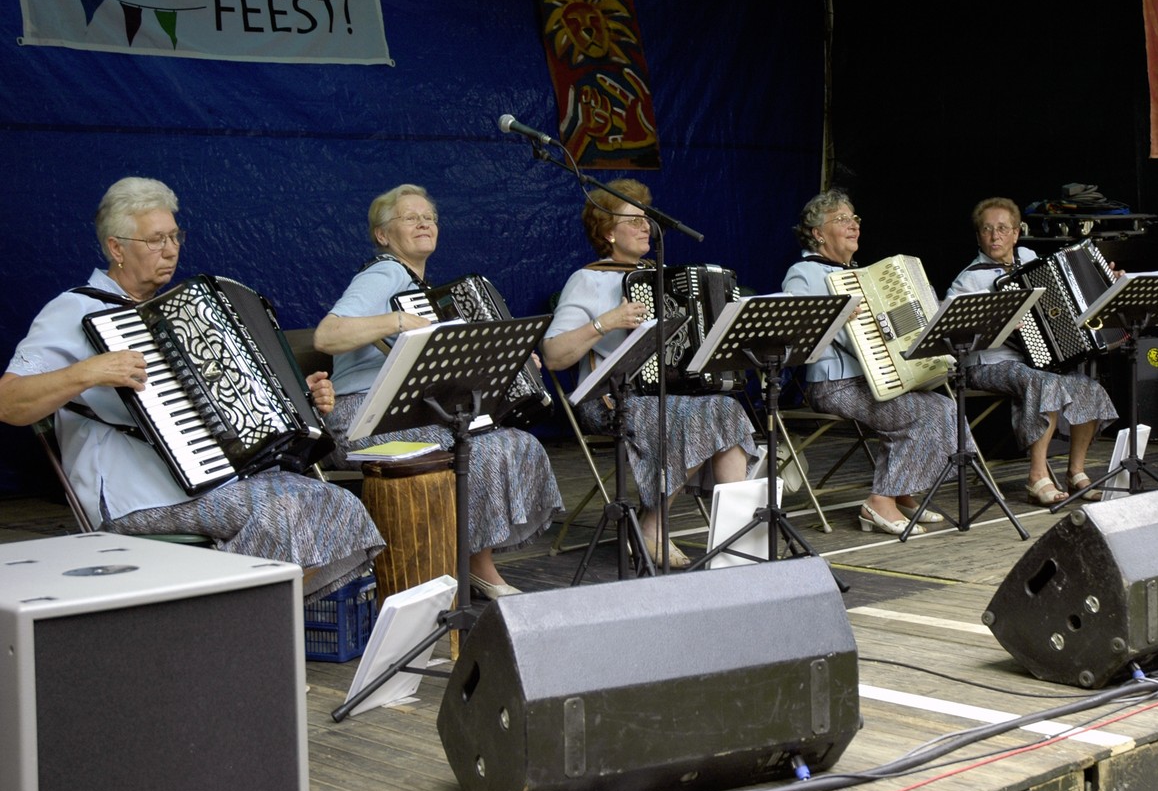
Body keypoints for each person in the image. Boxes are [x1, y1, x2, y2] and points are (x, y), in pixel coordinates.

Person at [0, 177, 383, 600]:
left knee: (337, 503)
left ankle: (237, 616)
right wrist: (86, 372)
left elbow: (230, 406)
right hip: (135, 495)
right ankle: (222, 617)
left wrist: (300, 400)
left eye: (174, 236)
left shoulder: (180, 315)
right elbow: (9, 402)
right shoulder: (73, 309)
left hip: (209, 480)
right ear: (116, 248)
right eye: (155, 240)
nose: (170, 250)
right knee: (288, 509)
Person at [314, 183, 563, 599]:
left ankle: (467, 561)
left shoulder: (419, 289)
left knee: (511, 442)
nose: (424, 224)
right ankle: (469, 567)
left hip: (408, 412)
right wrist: (396, 322)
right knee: (476, 446)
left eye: (429, 217)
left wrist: (515, 363)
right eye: (410, 218)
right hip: (362, 417)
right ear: (382, 234)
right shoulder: (384, 273)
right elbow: (327, 335)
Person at [541, 179, 758, 568]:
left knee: (726, 408)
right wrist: (606, 322)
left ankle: (736, 539)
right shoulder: (587, 279)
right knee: (700, 414)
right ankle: (652, 526)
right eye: (634, 221)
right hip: (610, 400)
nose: (647, 228)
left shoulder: (664, 276)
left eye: (647, 220)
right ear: (609, 233)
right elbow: (554, 356)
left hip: (673, 397)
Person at [781, 189, 966, 537]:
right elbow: (803, 333)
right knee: (925, 413)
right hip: (835, 384)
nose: (853, 225)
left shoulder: (860, 274)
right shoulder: (803, 273)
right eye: (841, 220)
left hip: (875, 378)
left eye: (854, 219)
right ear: (818, 233)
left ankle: (901, 491)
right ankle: (879, 501)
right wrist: (837, 317)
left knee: (944, 406)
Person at [946, 197, 1119, 504]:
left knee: (1088, 387)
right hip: (988, 363)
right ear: (978, 236)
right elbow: (949, 331)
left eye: (1003, 229)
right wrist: (997, 322)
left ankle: (1075, 472)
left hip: (1033, 360)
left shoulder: (1029, 258)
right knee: (1044, 383)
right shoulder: (969, 279)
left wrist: (1105, 280)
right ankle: (1037, 476)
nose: (995, 236)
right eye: (987, 229)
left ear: (1016, 233)